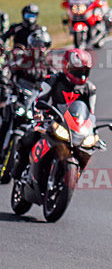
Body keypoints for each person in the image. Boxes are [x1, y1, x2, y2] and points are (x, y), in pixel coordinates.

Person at [10, 48, 97, 180]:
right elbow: (39, 99)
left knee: (88, 148)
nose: (82, 76)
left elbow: (91, 114)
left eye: (85, 72)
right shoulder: (53, 80)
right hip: (53, 121)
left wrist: (93, 131)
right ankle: (19, 170)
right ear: (67, 66)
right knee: (29, 137)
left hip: (74, 129)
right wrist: (39, 112)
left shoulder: (89, 89)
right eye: (78, 71)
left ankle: (70, 175)